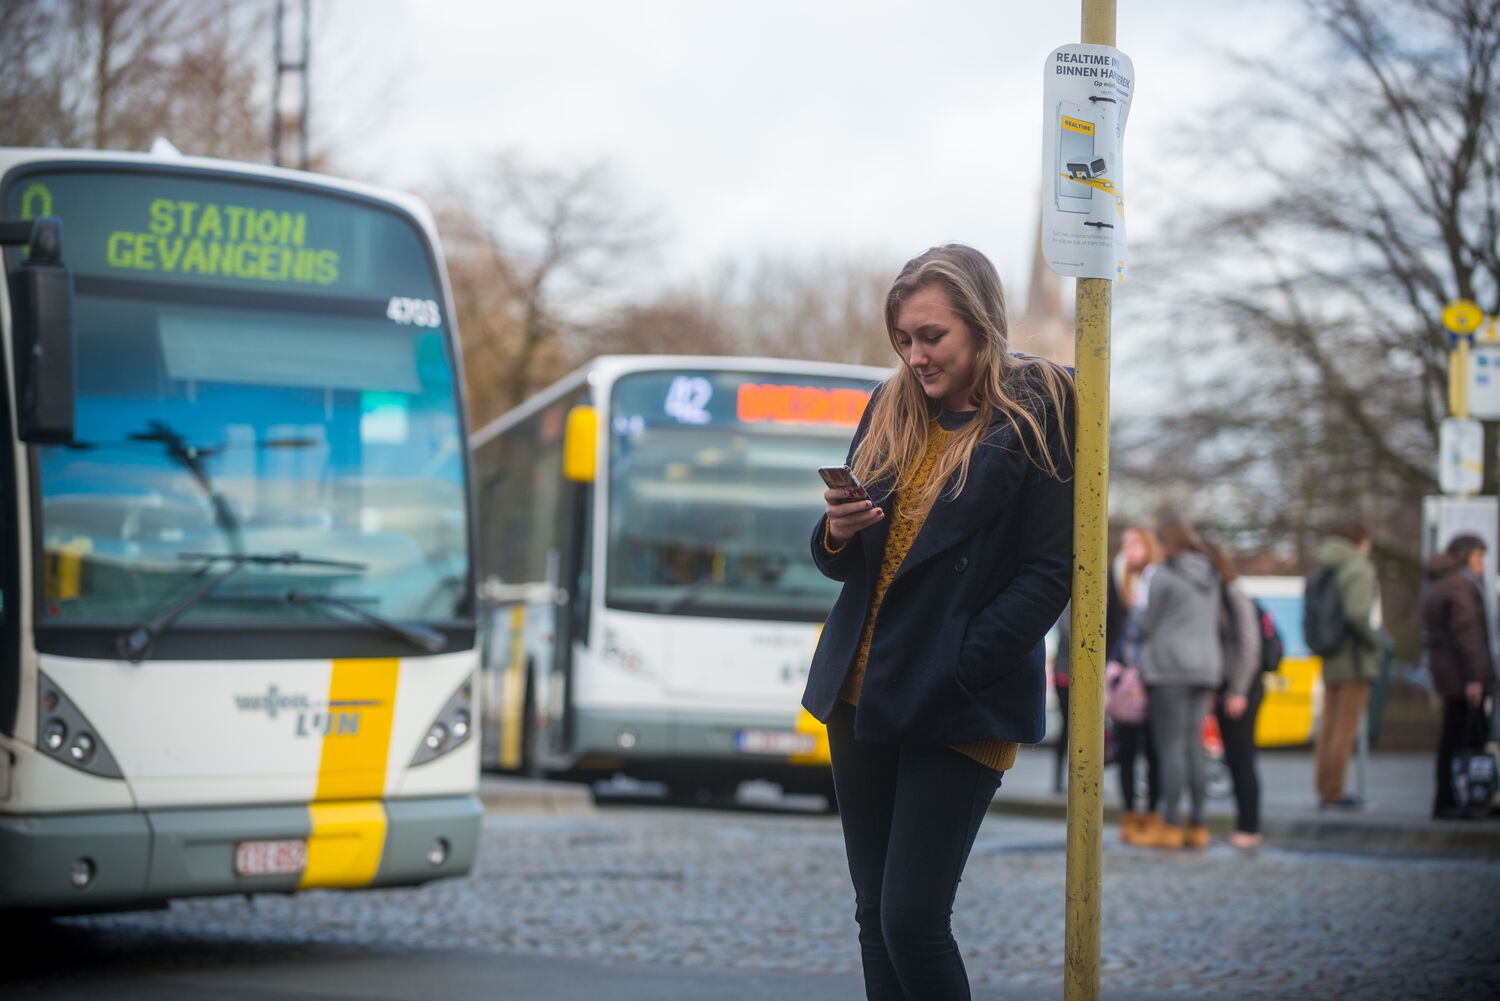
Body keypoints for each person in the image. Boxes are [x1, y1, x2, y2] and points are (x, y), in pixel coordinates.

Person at [803, 244, 1074, 1000]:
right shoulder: (888, 406)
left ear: (982, 325)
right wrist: (838, 531)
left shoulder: (1040, 408)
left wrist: (960, 662)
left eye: (932, 336)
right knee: (874, 915)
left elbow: (1050, 573)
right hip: (863, 693)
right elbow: (839, 565)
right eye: (903, 339)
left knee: (914, 919)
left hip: (959, 701)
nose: (915, 355)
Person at [1135, 517, 1223, 850]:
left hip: (1169, 668)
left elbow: (1146, 624)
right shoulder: (1210, 573)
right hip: (1205, 667)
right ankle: (1198, 825)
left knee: (1170, 748)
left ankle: (1171, 825)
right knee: (1193, 747)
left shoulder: (1163, 576)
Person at [1420, 533, 1496, 819]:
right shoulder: (1460, 586)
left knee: (1457, 735)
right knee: (1462, 737)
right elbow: (1468, 635)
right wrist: (1476, 678)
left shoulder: (1441, 582)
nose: (1482, 565)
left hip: (1451, 673)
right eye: (1478, 557)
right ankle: (1462, 798)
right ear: (1465, 557)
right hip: (1461, 676)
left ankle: (1456, 798)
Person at [1311, 521, 1382, 810]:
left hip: (1330, 657)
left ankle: (1325, 788)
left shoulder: (1326, 566)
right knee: (1344, 730)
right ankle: (1335, 792)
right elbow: (1357, 615)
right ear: (1361, 540)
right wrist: (1375, 642)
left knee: (1328, 728)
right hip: (1354, 659)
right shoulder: (1358, 567)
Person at [1205, 539, 1264, 849]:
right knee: (1233, 756)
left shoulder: (1233, 593)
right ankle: (1245, 825)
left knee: (1242, 758)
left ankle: (1249, 827)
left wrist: (1238, 689)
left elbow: (1249, 644)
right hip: (1225, 687)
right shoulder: (1215, 595)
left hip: (1242, 687)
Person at [1111, 525, 1163, 844]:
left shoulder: (1158, 578)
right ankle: (1130, 815)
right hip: (1124, 676)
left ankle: (1152, 815)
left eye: (1134, 543)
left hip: (1154, 676)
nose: (1128, 550)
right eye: (1125, 544)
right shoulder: (1118, 578)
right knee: (1125, 749)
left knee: (1153, 750)